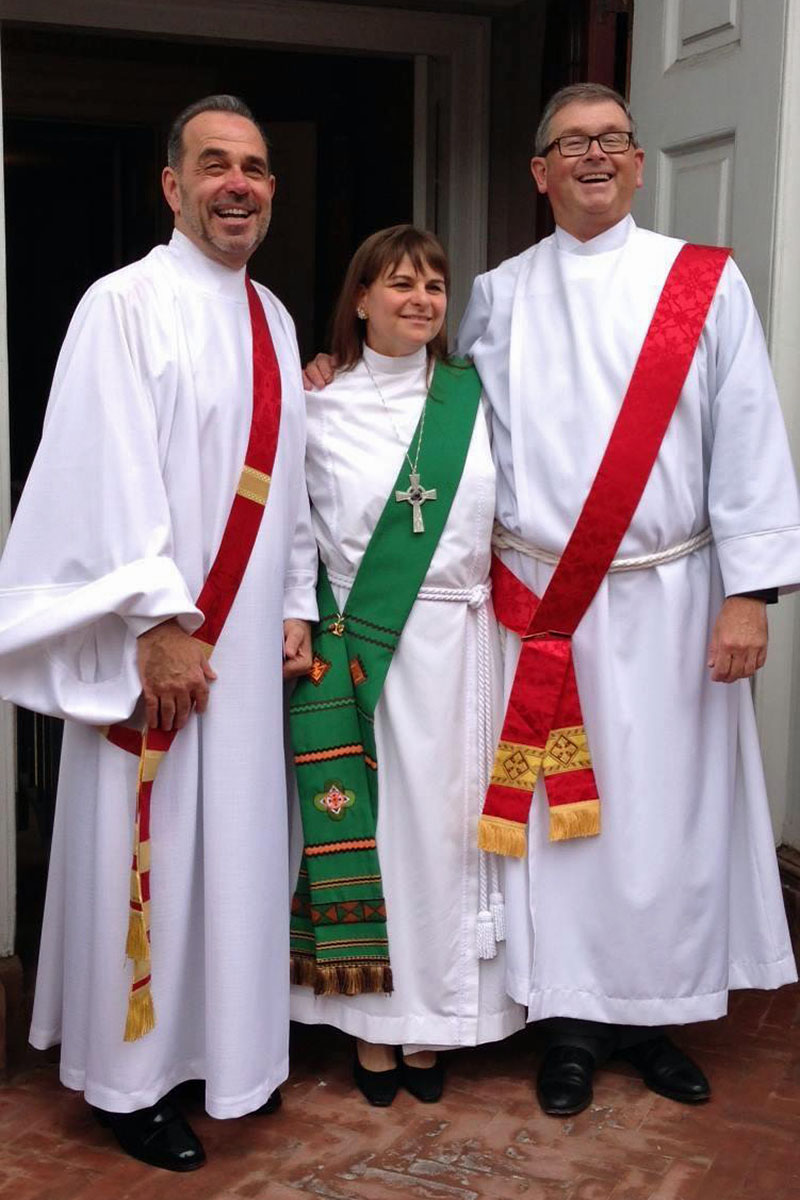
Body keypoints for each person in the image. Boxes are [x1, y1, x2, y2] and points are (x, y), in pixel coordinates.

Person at [454, 82, 800, 1115]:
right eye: (570, 143)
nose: (593, 156)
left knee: (664, 818)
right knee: (567, 825)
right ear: (538, 172)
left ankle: (655, 1014)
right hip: (540, 609)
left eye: (610, 140)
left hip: (673, 599)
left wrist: (748, 595)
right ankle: (564, 1021)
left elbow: (746, 435)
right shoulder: (495, 293)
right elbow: (450, 437)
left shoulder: (701, 283)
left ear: (639, 163)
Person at [0, 95, 317, 1170]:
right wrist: (154, 622)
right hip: (169, 653)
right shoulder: (122, 303)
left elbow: (291, 492)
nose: (240, 183)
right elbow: (105, 469)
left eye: (257, 167)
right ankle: (129, 1079)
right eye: (216, 165)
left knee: (231, 857)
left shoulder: (273, 317)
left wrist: (294, 600)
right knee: (151, 849)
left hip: (240, 657)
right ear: (173, 187)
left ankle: (223, 1055)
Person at [289, 225, 524, 1107]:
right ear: (359, 298)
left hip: (466, 650)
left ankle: (441, 1022)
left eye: (433, 284)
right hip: (367, 659)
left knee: (456, 843)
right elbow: (292, 535)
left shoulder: (474, 396)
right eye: (399, 283)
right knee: (378, 838)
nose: (420, 299)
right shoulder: (317, 405)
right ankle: (372, 1029)